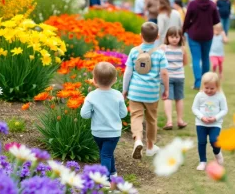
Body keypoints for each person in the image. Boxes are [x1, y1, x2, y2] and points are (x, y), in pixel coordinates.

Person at [122, 22, 169, 159]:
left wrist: (125, 90)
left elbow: (127, 73)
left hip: (135, 92)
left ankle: (137, 140)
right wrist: (165, 89)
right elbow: (164, 73)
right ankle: (150, 147)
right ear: (158, 36)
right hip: (152, 93)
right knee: (151, 119)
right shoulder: (160, 53)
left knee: (136, 116)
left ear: (140, 35)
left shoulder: (134, 51)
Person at [80, 62, 127, 180]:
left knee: (105, 153)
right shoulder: (117, 95)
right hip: (113, 133)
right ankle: (109, 175)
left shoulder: (91, 96)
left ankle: (109, 176)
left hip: (98, 132)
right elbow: (123, 114)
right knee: (106, 153)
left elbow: (84, 115)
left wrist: (93, 113)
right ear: (115, 80)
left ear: (94, 80)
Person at [183, 0, 220, 90]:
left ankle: (198, 83)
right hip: (207, 34)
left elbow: (186, 20)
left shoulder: (192, 4)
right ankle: (206, 82)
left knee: (196, 58)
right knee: (205, 58)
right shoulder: (212, 5)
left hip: (194, 34)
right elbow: (216, 20)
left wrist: (184, 29)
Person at [192, 72, 228, 171]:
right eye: (206, 87)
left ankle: (218, 153)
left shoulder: (220, 96)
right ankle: (202, 161)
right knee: (202, 142)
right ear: (203, 85)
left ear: (217, 86)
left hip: (215, 124)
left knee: (214, 141)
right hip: (201, 123)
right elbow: (194, 108)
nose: (209, 90)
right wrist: (201, 117)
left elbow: (224, 110)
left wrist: (215, 118)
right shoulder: (200, 95)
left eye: (212, 88)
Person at [159, 27, 188, 130]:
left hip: (167, 76)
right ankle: (179, 120)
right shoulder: (183, 49)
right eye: (172, 37)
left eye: (177, 37)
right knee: (179, 98)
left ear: (180, 37)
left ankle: (170, 121)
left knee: (168, 98)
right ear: (167, 37)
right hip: (179, 76)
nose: (174, 39)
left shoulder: (163, 48)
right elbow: (185, 62)